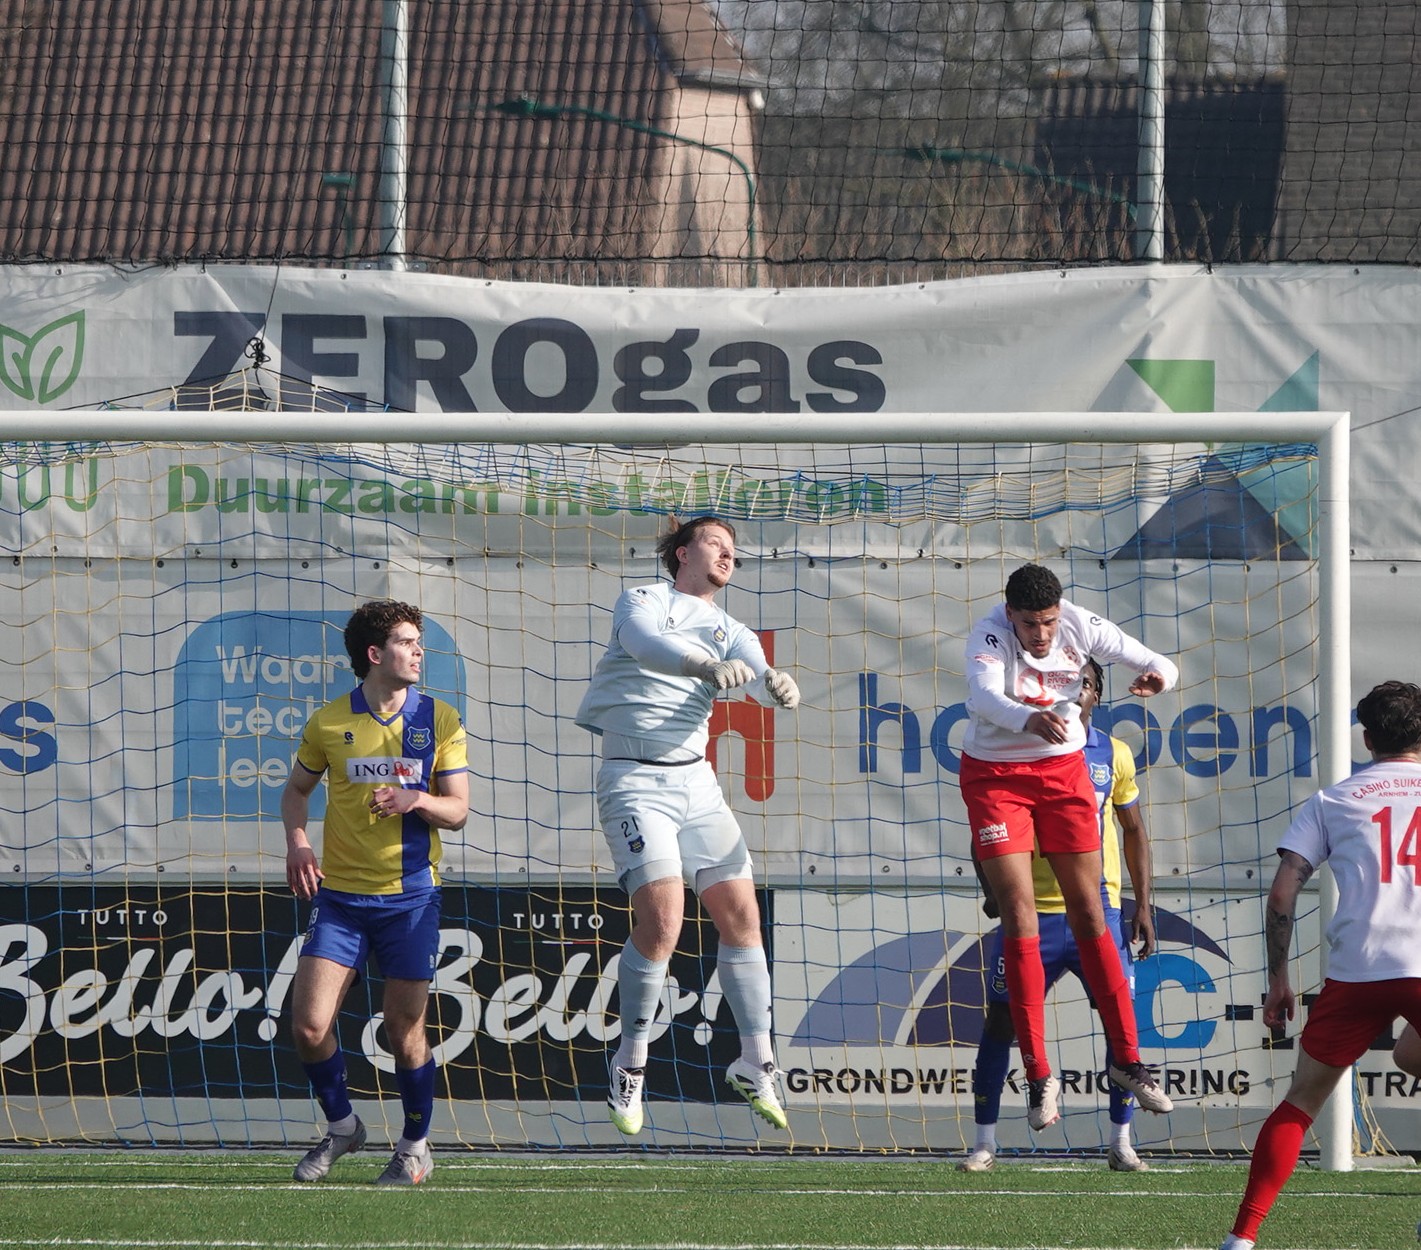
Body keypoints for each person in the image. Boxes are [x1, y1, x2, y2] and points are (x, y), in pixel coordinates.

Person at [576, 515, 802, 1136]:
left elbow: (754, 673)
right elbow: (649, 645)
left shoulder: (736, 628)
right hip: (634, 778)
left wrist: (772, 684)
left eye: (734, 550)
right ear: (682, 552)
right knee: (665, 921)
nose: (729, 554)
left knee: (741, 917)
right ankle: (631, 1065)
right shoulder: (643, 599)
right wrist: (705, 667)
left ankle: (757, 1063)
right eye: (716, 543)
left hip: (695, 784)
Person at [960, 562, 1176, 1132]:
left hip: (1062, 775)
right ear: (1011, 615)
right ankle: (1038, 1076)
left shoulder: (1080, 625)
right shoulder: (988, 634)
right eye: (1030, 623)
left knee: (1091, 913)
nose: (1041, 634)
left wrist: (1159, 678)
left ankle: (1129, 1063)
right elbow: (985, 700)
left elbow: (1157, 661)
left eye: (1048, 622)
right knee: (1019, 917)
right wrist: (1030, 721)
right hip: (996, 777)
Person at [1219, 680, 1421, 1250]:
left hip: (1358, 971)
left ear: (1367, 737)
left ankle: (1242, 1238)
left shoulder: (1334, 800)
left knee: (1302, 1102)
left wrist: (1279, 980)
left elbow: (1282, 896)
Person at [282, 599, 470, 1185]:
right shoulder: (328, 722)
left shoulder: (439, 719)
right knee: (309, 1026)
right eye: (409, 643)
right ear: (374, 654)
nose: (418, 653)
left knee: (401, 1031)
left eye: (420, 644)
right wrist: (298, 844)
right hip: (339, 898)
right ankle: (343, 1128)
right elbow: (295, 792)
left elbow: (458, 812)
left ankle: (415, 1146)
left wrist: (418, 801)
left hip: (411, 898)